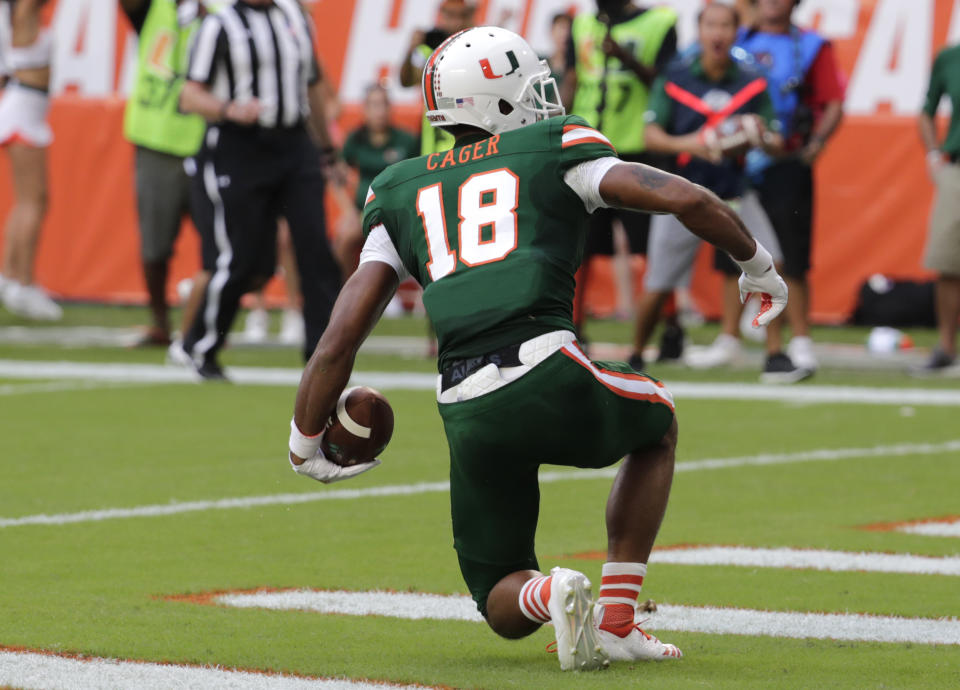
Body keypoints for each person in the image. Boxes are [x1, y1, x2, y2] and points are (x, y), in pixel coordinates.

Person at [288, 27, 787, 670]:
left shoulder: (397, 189)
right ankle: (615, 618)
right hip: (544, 364)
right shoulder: (554, 149)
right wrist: (758, 267)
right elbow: (683, 195)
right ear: (496, 101)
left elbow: (340, 336)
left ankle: (549, 592)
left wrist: (305, 441)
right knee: (656, 421)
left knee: (499, 598)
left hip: (464, 404)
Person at [632, 2, 805, 382]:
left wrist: (760, 136)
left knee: (770, 263)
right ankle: (634, 356)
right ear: (701, 30)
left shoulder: (751, 79)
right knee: (659, 283)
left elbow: (777, 138)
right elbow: (651, 136)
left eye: (726, 25)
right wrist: (693, 143)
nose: (718, 33)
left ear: (735, 31)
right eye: (711, 25)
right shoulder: (676, 76)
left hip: (734, 192)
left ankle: (775, 356)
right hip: (682, 193)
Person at [172, 0, 341, 379]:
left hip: (295, 144)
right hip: (239, 145)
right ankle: (200, 346)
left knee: (315, 249)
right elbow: (188, 95)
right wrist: (229, 108)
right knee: (245, 259)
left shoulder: (295, 15)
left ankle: (323, 356)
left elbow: (311, 84)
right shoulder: (219, 25)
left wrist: (326, 148)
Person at [735, 0, 845, 376]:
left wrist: (816, 144)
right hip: (738, 161)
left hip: (786, 161)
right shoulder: (736, 41)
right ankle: (728, 337)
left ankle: (800, 340)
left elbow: (833, 101)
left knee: (792, 255)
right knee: (731, 247)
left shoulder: (811, 45)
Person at [562, 0, 678, 346]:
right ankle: (573, 326)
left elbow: (668, 83)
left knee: (649, 246)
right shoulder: (582, 24)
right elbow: (572, 78)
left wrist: (627, 58)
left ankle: (670, 325)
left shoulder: (659, 22)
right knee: (581, 246)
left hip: (636, 148)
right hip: (586, 147)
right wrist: (557, 129)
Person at [121, 0, 210, 346]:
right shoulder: (152, 7)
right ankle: (161, 322)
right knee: (155, 246)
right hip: (156, 142)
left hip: (208, 142)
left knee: (225, 246)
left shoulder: (220, 10)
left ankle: (206, 322)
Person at [0, 0, 61, 321]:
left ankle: (10, 276)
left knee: (28, 201)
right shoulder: (23, 12)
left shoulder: (21, 14)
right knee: (34, 202)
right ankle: (23, 282)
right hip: (24, 109)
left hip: (28, 107)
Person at [338, 84, 418, 273]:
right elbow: (337, 176)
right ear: (364, 109)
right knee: (344, 236)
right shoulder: (355, 139)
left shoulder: (406, 140)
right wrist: (347, 210)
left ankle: (398, 294)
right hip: (363, 212)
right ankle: (346, 291)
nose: (379, 111)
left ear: (390, 107)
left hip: (398, 213)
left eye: (383, 104)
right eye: (374, 105)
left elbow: (416, 179)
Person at [915, 41, 960, 372]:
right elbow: (927, 110)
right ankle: (946, 346)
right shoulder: (949, 58)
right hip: (957, 168)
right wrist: (933, 155)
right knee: (948, 260)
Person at [398, 0, 475, 156]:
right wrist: (411, 49)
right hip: (436, 135)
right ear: (442, 16)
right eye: (451, 15)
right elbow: (406, 81)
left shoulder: (475, 43)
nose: (456, 21)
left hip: (471, 127)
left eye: (461, 15)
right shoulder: (428, 44)